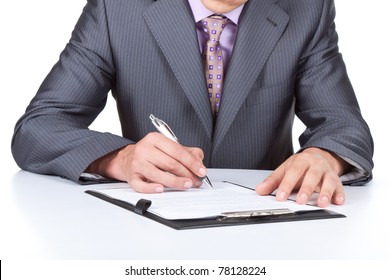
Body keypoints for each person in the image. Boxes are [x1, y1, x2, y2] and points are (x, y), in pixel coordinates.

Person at [12, 0, 374, 208]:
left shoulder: (307, 8)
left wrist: (325, 155)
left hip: (264, 221)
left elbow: (344, 124)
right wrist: (119, 159)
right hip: (148, 223)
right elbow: (39, 128)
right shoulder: (115, 8)